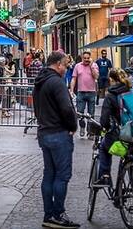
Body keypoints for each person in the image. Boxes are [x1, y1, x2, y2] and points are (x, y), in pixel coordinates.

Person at [96, 68, 133, 226]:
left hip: (122, 136)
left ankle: (104, 174)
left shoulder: (111, 95)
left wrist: (103, 129)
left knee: (104, 148)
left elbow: (104, 121)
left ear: (111, 80)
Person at [33, 51, 79, 228]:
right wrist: (72, 126)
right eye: (65, 65)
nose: (66, 68)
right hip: (59, 134)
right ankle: (58, 214)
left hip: (44, 132)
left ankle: (48, 215)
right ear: (58, 64)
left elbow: (36, 108)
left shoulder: (40, 81)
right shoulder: (57, 82)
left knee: (49, 174)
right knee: (62, 175)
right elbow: (66, 109)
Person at [70, 51, 99, 138]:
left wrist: (91, 67)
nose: (86, 60)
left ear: (90, 58)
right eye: (84, 58)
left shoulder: (94, 65)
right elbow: (74, 79)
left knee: (91, 114)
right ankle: (82, 127)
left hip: (91, 92)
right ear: (82, 58)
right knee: (80, 113)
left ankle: (90, 132)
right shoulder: (77, 66)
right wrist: (71, 90)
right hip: (81, 92)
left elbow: (96, 77)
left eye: (88, 58)